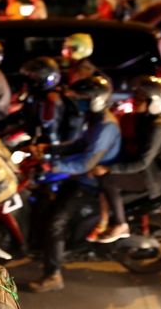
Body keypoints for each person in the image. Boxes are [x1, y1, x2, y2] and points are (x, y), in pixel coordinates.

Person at [28, 75, 121, 292]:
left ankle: (53, 275)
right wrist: (50, 149)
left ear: (96, 99)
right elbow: (79, 144)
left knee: (56, 222)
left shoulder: (106, 126)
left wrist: (53, 166)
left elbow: (86, 162)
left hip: (91, 184)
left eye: (82, 98)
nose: (78, 102)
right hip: (80, 178)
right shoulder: (97, 119)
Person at [91, 76, 161, 243]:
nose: (135, 101)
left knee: (108, 180)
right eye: (135, 97)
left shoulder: (157, 127)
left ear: (154, 102)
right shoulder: (139, 120)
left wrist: (109, 169)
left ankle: (121, 225)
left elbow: (143, 162)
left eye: (140, 99)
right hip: (139, 171)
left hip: (150, 178)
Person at [17, 56, 83, 145]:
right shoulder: (38, 93)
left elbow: (50, 129)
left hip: (47, 144)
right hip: (29, 131)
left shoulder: (51, 99)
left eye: (34, 76)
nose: (30, 78)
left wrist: (45, 148)